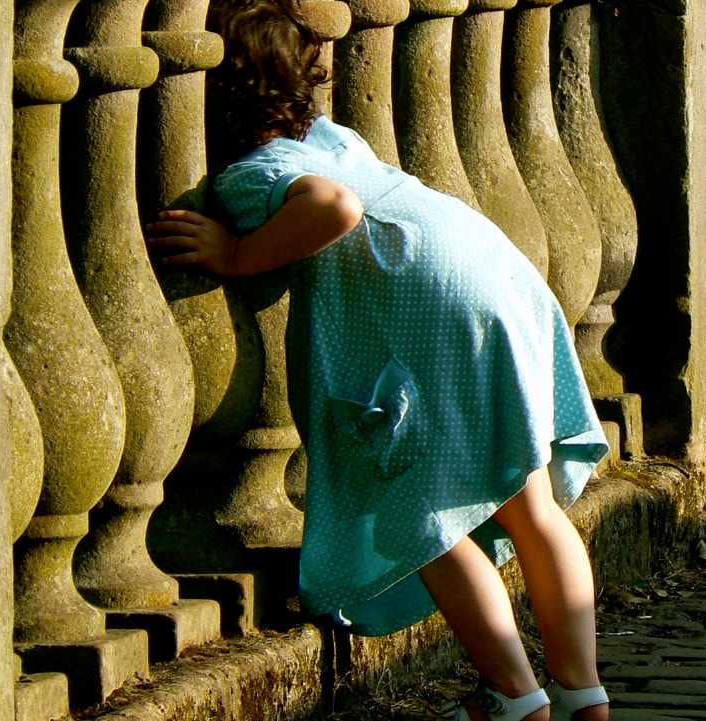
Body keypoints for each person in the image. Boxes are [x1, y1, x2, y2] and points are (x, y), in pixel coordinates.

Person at [145, 1, 611, 719]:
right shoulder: (333, 138)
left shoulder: (254, 171)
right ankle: (584, 694)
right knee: (531, 506)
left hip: (434, 314)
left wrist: (237, 251)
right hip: (497, 274)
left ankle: (517, 697)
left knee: (426, 515)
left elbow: (332, 209)